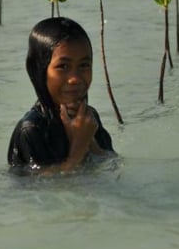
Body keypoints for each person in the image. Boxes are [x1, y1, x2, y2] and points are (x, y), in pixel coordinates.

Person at [7, 17, 115, 175]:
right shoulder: (31, 130)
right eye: (63, 66)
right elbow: (42, 190)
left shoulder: (88, 118)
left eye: (84, 65)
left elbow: (114, 165)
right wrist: (78, 148)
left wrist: (90, 142)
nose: (75, 78)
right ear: (40, 71)